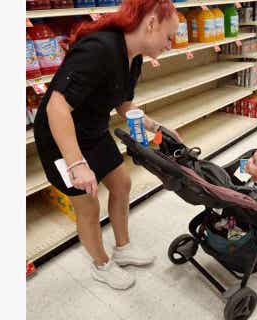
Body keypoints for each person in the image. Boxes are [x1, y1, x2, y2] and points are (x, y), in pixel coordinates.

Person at [33, 0, 181, 290]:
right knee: (88, 205)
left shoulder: (133, 56)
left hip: (92, 128)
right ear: (151, 24)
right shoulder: (99, 49)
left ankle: (122, 247)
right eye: (169, 35)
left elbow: (123, 102)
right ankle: (101, 264)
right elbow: (56, 107)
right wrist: (76, 164)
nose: (170, 44)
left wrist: (157, 127)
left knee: (122, 183)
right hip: (60, 137)